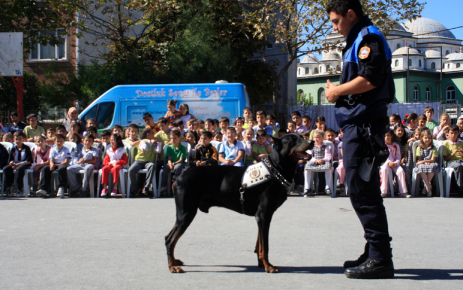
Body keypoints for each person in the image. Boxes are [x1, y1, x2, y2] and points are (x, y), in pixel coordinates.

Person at [325, 0, 394, 278]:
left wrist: (337, 91)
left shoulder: (368, 37)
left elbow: (372, 78)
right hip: (359, 125)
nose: (334, 26)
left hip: (364, 126)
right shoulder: (359, 39)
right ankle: (374, 252)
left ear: (350, 14)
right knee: (362, 189)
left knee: (361, 190)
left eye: (335, 20)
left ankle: (380, 258)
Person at [128, 128, 157, 196]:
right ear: (148, 135)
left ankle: (146, 187)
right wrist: (144, 149)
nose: (154, 134)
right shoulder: (143, 141)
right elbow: (144, 148)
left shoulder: (154, 142)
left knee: (152, 165)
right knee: (131, 170)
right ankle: (136, 188)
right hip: (140, 160)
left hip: (148, 162)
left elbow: (158, 150)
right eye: (152, 133)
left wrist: (157, 142)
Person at [380, 130, 408, 198]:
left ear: (392, 136)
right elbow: (383, 156)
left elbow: (398, 157)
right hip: (385, 163)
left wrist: (396, 163)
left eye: (388, 135)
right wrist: (389, 162)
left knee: (400, 171)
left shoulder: (396, 145)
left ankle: (403, 192)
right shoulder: (382, 146)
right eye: (385, 136)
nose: (387, 137)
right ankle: (383, 192)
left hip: (394, 164)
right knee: (383, 170)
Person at [303, 130, 332, 196]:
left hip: (323, 162)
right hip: (314, 162)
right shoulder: (312, 147)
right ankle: (307, 188)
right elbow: (309, 156)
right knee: (307, 168)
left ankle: (327, 187)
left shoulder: (325, 147)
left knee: (328, 167)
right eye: (314, 137)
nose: (316, 139)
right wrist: (315, 160)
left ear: (322, 138)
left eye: (318, 137)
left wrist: (323, 159)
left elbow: (328, 155)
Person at [2, 132, 32, 197]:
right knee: (6, 169)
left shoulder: (26, 148)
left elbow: (29, 161)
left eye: (20, 139)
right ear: (14, 140)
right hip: (15, 165)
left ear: (23, 139)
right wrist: (12, 163)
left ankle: (19, 188)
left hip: (23, 165)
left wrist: (18, 164)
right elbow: (10, 160)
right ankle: (10, 187)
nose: (18, 141)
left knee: (19, 169)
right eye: (16, 139)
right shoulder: (13, 149)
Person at [413, 130, 440, 197]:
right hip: (423, 163)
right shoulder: (419, 148)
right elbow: (419, 159)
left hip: (431, 162)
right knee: (421, 167)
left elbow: (433, 159)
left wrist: (425, 161)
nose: (427, 139)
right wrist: (423, 162)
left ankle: (425, 186)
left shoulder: (434, 148)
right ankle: (428, 187)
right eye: (426, 138)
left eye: (429, 138)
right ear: (422, 138)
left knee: (433, 166)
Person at [160, 130, 187, 194]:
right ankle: (164, 186)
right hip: (171, 163)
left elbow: (181, 160)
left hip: (178, 163)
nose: (172, 140)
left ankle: (176, 184)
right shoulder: (169, 148)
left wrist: (174, 163)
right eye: (171, 138)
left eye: (174, 138)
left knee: (178, 167)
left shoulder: (183, 148)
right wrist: (170, 164)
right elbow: (169, 159)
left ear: (179, 138)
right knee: (164, 168)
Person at [443, 125, 463, 193]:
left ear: (458, 133)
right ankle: (459, 187)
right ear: (448, 133)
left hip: (461, 161)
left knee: (460, 165)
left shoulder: (461, 143)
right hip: (451, 162)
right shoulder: (446, 143)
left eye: (455, 133)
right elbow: (445, 158)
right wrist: (452, 154)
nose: (453, 135)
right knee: (459, 166)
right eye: (452, 133)